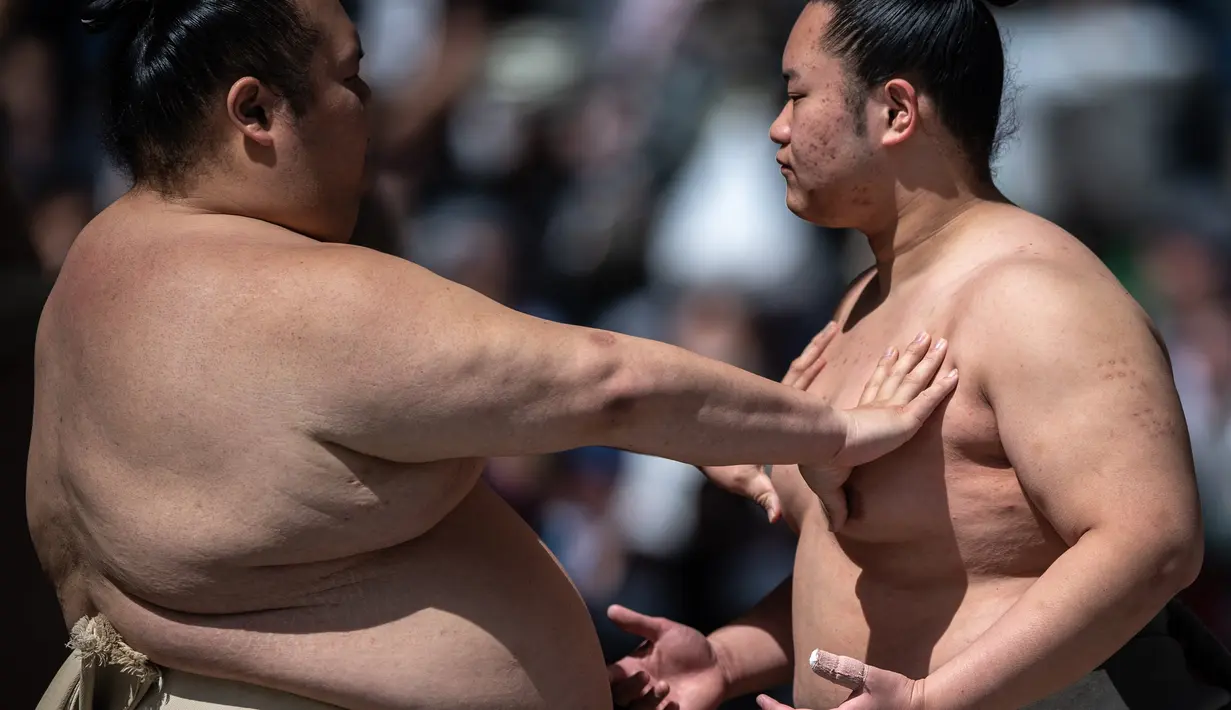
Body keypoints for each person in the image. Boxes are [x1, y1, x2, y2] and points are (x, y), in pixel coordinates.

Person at [28, 1, 960, 709]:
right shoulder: (272, 290)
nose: (372, 106)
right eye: (351, 77)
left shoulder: (91, 279)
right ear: (255, 112)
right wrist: (834, 427)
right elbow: (606, 385)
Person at [607, 1, 1231, 709]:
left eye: (796, 94)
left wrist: (931, 700)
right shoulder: (861, 301)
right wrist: (726, 656)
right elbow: (886, 570)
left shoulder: (1035, 298)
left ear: (896, 110)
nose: (777, 128)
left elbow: (1153, 544)